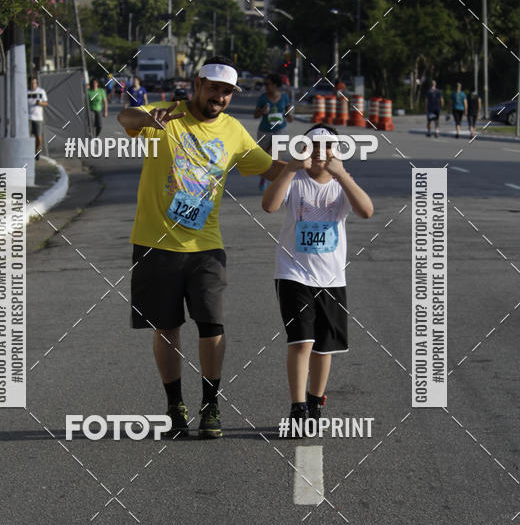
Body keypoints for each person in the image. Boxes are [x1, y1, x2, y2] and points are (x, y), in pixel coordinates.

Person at [117, 56, 285, 440]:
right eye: (214, 88)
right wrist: (148, 119)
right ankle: (175, 406)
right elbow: (124, 119)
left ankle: (211, 404)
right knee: (167, 327)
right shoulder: (167, 116)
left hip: (206, 246)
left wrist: (312, 168)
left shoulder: (234, 131)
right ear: (197, 84)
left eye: (227, 92)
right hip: (155, 243)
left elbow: (268, 167)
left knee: (212, 325)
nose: (220, 97)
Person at [262, 124, 374, 434]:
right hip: (293, 272)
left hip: (331, 277)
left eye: (327, 147)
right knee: (302, 342)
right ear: (303, 148)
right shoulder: (295, 179)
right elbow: (269, 205)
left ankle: (315, 402)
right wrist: (290, 168)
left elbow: (366, 211)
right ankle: (298, 409)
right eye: (313, 146)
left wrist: (343, 175)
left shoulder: (341, 184)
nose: (320, 152)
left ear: (337, 152)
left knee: (324, 348)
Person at [254, 73, 293, 191]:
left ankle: (278, 183)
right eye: (264, 84)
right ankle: (264, 177)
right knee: (266, 157)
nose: (265, 86)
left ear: (275, 85)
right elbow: (255, 115)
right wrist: (262, 111)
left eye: (268, 84)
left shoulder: (284, 97)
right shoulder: (262, 98)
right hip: (265, 130)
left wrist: (289, 115)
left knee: (274, 155)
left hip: (280, 129)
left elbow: (288, 113)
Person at [27, 77, 48, 160]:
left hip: (38, 117)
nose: (33, 85)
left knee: (38, 137)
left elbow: (46, 103)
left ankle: (37, 150)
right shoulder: (26, 92)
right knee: (28, 136)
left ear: (37, 84)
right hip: (28, 117)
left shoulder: (41, 91)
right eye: (32, 83)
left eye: (35, 83)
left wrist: (40, 103)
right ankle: (29, 152)